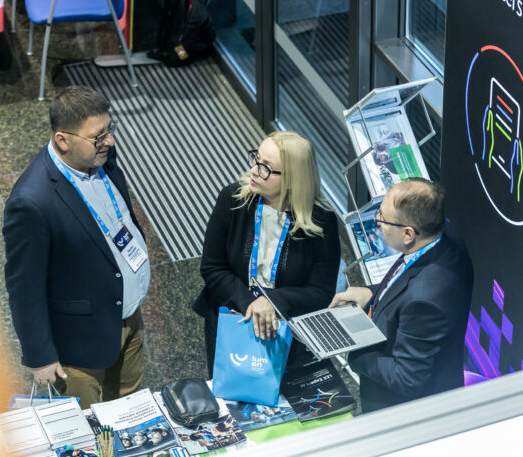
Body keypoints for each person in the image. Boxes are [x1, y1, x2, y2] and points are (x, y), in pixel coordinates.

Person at [3, 86, 150, 408]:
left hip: (128, 317)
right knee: (87, 420)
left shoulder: (101, 156)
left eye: (109, 130)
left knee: (130, 408)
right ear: (63, 140)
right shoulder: (31, 202)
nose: (109, 141)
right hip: (81, 343)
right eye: (98, 136)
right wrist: (40, 356)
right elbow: (24, 287)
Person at [193, 131, 341, 374]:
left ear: (292, 179)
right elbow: (212, 267)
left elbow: (321, 291)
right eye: (256, 159)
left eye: (266, 168)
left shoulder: (322, 222)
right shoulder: (232, 199)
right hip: (232, 320)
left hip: (288, 332)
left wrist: (273, 302)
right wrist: (251, 304)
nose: (254, 170)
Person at [330, 178, 473, 412]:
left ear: (408, 234)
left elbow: (406, 377)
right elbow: (405, 280)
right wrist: (371, 293)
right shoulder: (444, 236)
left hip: (401, 411)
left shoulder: (424, 300)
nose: (377, 221)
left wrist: (354, 350)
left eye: (383, 218)